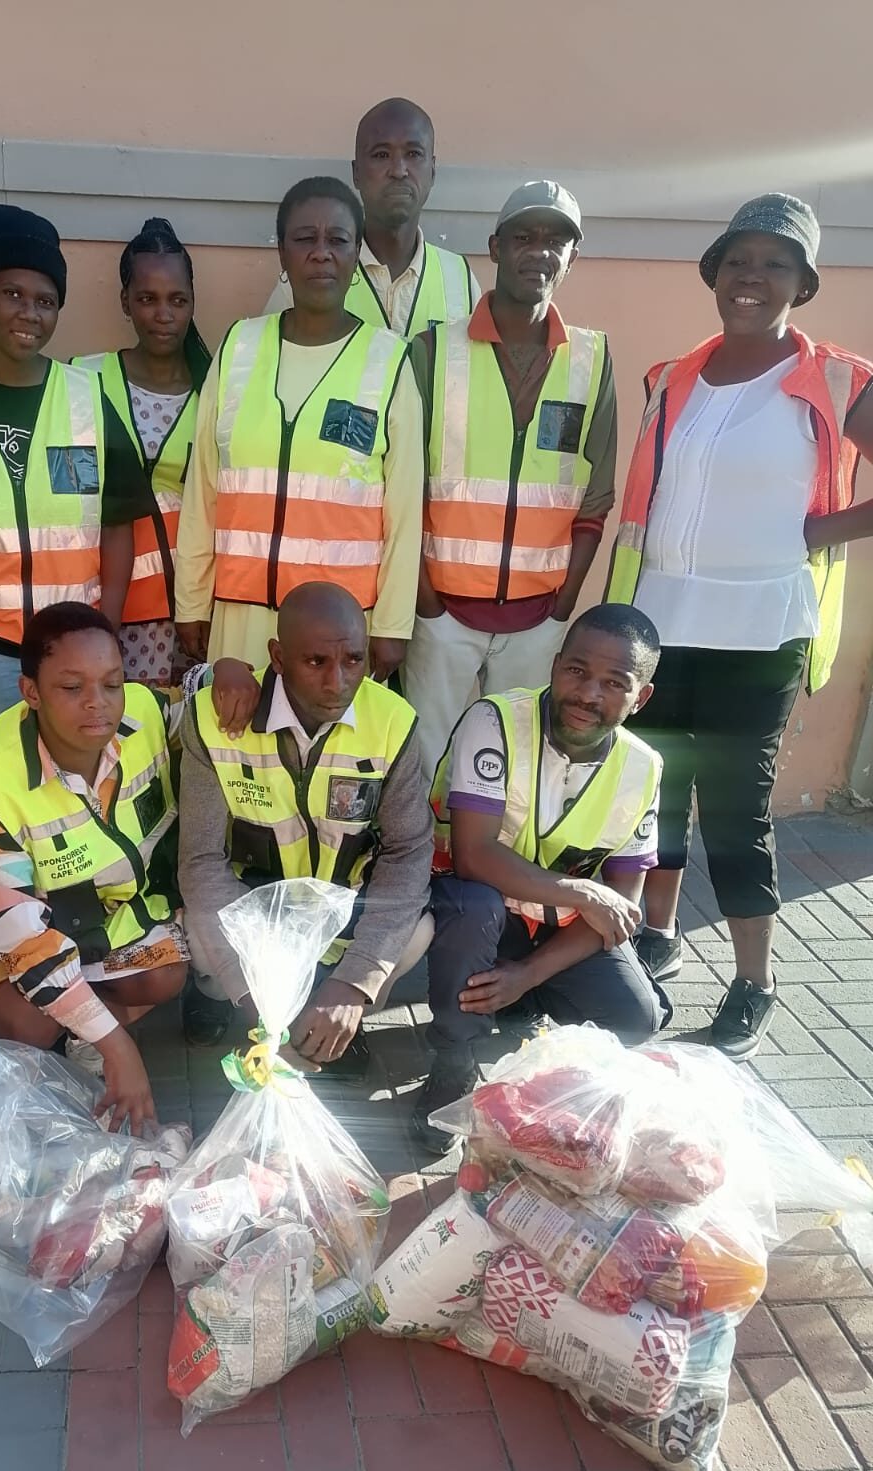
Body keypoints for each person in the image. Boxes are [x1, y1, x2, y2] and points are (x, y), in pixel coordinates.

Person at [606, 194, 873, 1060]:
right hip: (661, 617)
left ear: (801, 283)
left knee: (734, 810)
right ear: (715, 273)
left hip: (761, 627)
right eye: (738, 260)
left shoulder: (833, 380)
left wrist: (817, 532)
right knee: (655, 793)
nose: (751, 277)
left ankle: (755, 980)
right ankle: (660, 935)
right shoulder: (674, 376)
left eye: (775, 263)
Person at [0, 602, 260, 1130]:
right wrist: (120, 1048)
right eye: (71, 688)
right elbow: (22, 943)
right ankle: (61, 1027)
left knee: (167, 974)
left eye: (112, 683)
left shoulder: (141, 715)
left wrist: (226, 670)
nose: (98, 705)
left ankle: (79, 1028)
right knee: (27, 1023)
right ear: (31, 692)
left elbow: (196, 696)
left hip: (98, 912)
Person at [415, 604, 667, 1152]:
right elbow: (473, 855)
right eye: (576, 671)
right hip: (467, 902)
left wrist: (527, 974)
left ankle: (525, 1005)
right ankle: (454, 1058)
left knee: (637, 1019)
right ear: (554, 665)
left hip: (548, 928)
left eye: (614, 683)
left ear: (640, 696)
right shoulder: (495, 720)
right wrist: (579, 890)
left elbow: (622, 906)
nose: (588, 694)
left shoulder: (643, 767)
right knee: (475, 905)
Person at [402, 180, 618, 782]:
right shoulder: (433, 351)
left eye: (557, 241)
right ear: (495, 247)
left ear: (573, 258)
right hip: (442, 613)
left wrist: (563, 608)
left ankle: (496, 874)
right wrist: (426, 603)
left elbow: (594, 498)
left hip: (537, 618)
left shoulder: (592, 360)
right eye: (524, 237)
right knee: (427, 763)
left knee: (515, 767)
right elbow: (403, 487)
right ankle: (424, 871)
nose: (540, 252)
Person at [0, 204, 151, 735]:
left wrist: (105, 627)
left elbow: (117, 523)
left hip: (75, 643)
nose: (29, 313)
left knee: (75, 782)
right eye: (12, 294)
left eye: (46, 301)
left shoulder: (87, 400)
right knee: (8, 779)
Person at [175, 176, 423, 684]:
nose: (320, 254)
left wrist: (394, 623)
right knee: (238, 752)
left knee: (328, 760)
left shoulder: (388, 361)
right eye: (304, 239)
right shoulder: (240, 347)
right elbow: (203, 486)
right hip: (240, 614)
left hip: (340, 630)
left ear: (357, 256)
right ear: (282, 254)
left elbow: (405, 507)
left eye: (338, 240)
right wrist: (192, 601)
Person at [178, 582, 434, 1069]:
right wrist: (260, 1005)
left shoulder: (393, 721)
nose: (337, 682)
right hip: (255, 905)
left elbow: (408, 853)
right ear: (277, 656)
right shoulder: (214, 720)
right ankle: (226, 1000)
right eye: (316, 662)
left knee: (417, 931)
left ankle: (337, 1017)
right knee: (198, 935)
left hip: (340, 906)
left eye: (354, 661)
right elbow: (201, 861)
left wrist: (353, 984)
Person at [73, 217, 212, 687]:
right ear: (125, 303)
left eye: (177, 300)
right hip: (110, 607)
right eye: (147, 299)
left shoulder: (214, 392)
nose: (163, 314)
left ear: (193, 302)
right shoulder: (85, 380)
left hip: (197, 611)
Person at [263, 98, 479, 338]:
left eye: (414, 154)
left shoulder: (461, 280)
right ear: (356, 173)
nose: (398, 170)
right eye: (381, 155)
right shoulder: (306, 279)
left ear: (433, 170)